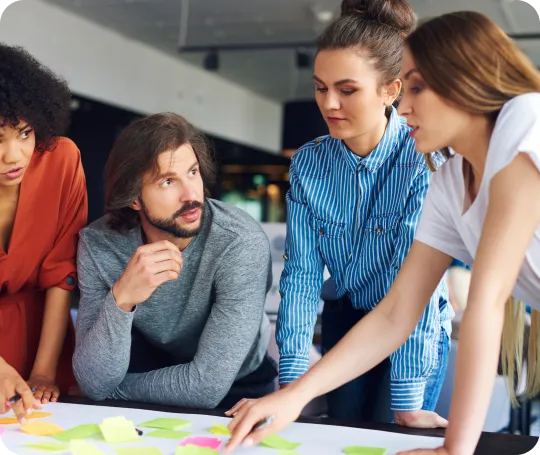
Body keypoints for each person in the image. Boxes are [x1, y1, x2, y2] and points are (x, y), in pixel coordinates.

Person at [223, 10, 540, 455]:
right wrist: (293, 394)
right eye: (404, 88)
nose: (404, 106)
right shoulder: (449, 182)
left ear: (463, 82)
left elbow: (485, 303)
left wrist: (455, 449)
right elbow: (397, 312)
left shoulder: (526, 121)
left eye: (416, 87)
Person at [272, 0, 450, 426]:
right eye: (320, 87)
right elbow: (301, 277)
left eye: (347, 90)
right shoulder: (309, 164)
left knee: (393, 432)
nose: (329, 103)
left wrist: (407, 402)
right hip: (347, 321)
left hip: (413, 330)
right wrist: (292, 385)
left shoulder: (423, 161)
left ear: (391, 89)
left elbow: (417, 294)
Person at [73, 112, 277, 409]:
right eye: (168, 182)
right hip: (152, 364)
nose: (191, 195)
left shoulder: (239, 242)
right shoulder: (99, 244)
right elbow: (93, 380)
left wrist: (112, 392)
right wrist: (123, 297)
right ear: (134, 198)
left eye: (192, 172)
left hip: (237, 383)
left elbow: (205, 387)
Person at [0, 44, 88, 422]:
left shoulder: (62, 162)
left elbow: (62, 272)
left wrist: (44, 371)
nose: (14, 155)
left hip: (44, 338)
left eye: (24, 133)